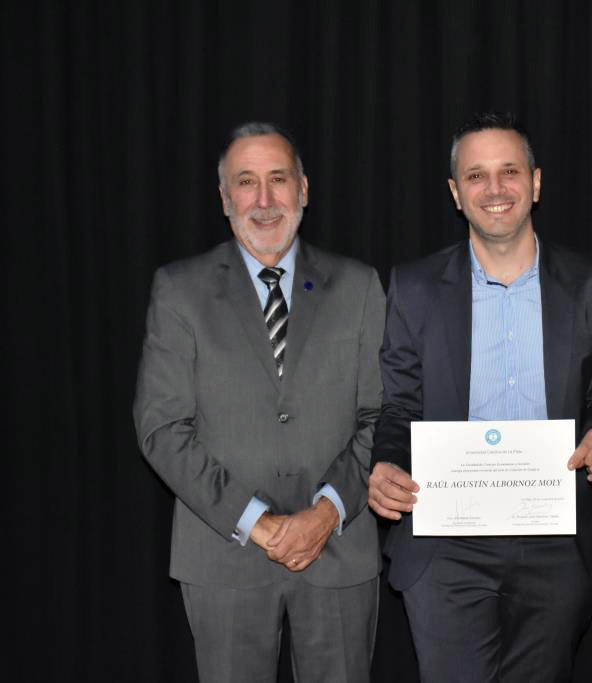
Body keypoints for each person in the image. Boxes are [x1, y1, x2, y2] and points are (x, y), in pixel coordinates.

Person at [367, 112, 592, 682]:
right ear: (456, 193)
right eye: (476, 175)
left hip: (557, 538)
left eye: (509, 171)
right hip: (445, 544)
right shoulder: (412, 286)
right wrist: (386, 462)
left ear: (535, 182)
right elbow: (400, 406)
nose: (494, 189)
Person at [133, 122, 385, 682]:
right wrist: (260, 524)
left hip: (339, 549)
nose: (265, 200)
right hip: (223, 554)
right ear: (225, 198)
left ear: (304, 189)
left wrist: (325, 513)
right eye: (247, 182)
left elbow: (381, 415)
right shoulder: (179, 290)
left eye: (278, 179)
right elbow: (162, 428)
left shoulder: (360, 285)